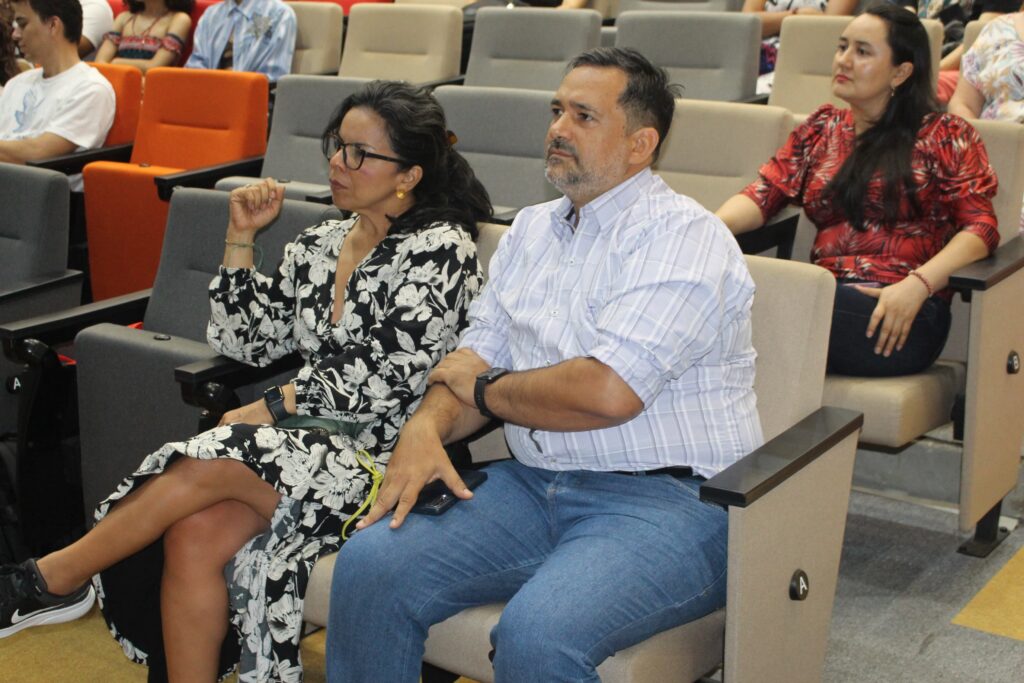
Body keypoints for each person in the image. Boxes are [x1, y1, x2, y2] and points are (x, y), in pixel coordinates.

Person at [0, 80, 491, 682]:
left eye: (359, 153)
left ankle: (57, 576)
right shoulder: (323, 240)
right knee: (195, 535)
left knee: (223, 449)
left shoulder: (440, 249)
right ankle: (68, 585)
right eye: (337, 145)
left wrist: (271, 409)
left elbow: (380, 378)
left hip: (386, 461)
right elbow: (243, 342)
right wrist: (241, 238)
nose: (338, 162)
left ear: (408, 175)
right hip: (302, 451)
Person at [326, 47, 763, 683]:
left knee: (537, 633)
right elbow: (470, 357)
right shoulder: (532, 231)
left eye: (583, 116)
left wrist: (483, 389)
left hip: (672, 500)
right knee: (370, 567)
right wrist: (424, 429)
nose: (558, 128)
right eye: (557, 110)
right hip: (536, 485)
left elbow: (607, 392)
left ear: (641, 144)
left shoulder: (683, 238)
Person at [717, 2, 999, 377]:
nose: (843, 61)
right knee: (733, 298)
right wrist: (705, 228)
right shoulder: (821, 129)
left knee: (752, 307)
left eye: (862, 52)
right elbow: (763, 194)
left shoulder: (944, 136)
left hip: (900, 311)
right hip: (825, 295)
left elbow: (981, 229)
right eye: (842, 47)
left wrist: (918, 285)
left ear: (900, 72)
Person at [0, 0, 115, 190]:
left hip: (38, 201)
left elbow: (39, 153)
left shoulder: (91, 88)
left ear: (53, 25)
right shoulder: (17, 83)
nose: (15, 34)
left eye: (22, 24)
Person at [743, 0, 857, 95]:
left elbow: (827, 29)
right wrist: (796, 15)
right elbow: (746, 23)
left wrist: (772, 21)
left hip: (802, 58)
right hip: (754, 53)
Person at [185, 0, 295, 82]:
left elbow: (272, 77)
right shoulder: (211, 15)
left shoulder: (277, 14)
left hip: (252, 101)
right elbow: (196, 65)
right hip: (208, 99)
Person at [94, 0, 193, 72]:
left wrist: (116, 62)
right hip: (118, 84)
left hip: (154, 88)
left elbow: (155, 66)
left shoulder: (179, 19)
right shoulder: (124, 18)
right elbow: (100, 63)